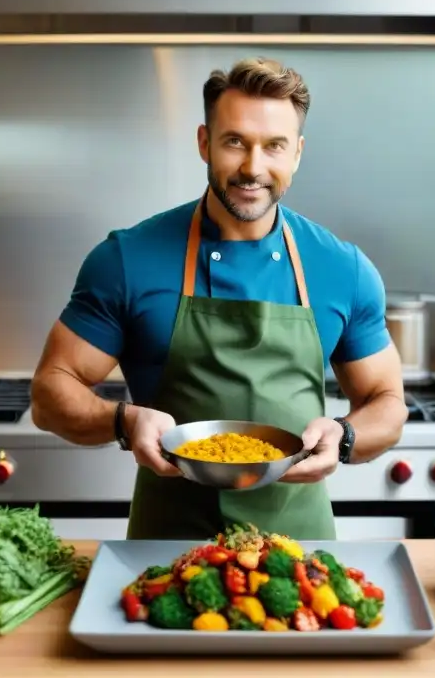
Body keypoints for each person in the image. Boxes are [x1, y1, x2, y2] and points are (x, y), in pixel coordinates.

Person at [30, 56, 408, 540]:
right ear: (205, 143)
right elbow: (49, 392)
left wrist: (346, 435)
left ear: (297, 153)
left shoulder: (343, 269)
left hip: (300, 555)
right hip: (166, 551)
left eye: (274, 146)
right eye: (235, 142)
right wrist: (123, 420)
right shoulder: (126, 260)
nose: (253, 168)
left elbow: (387, 402)